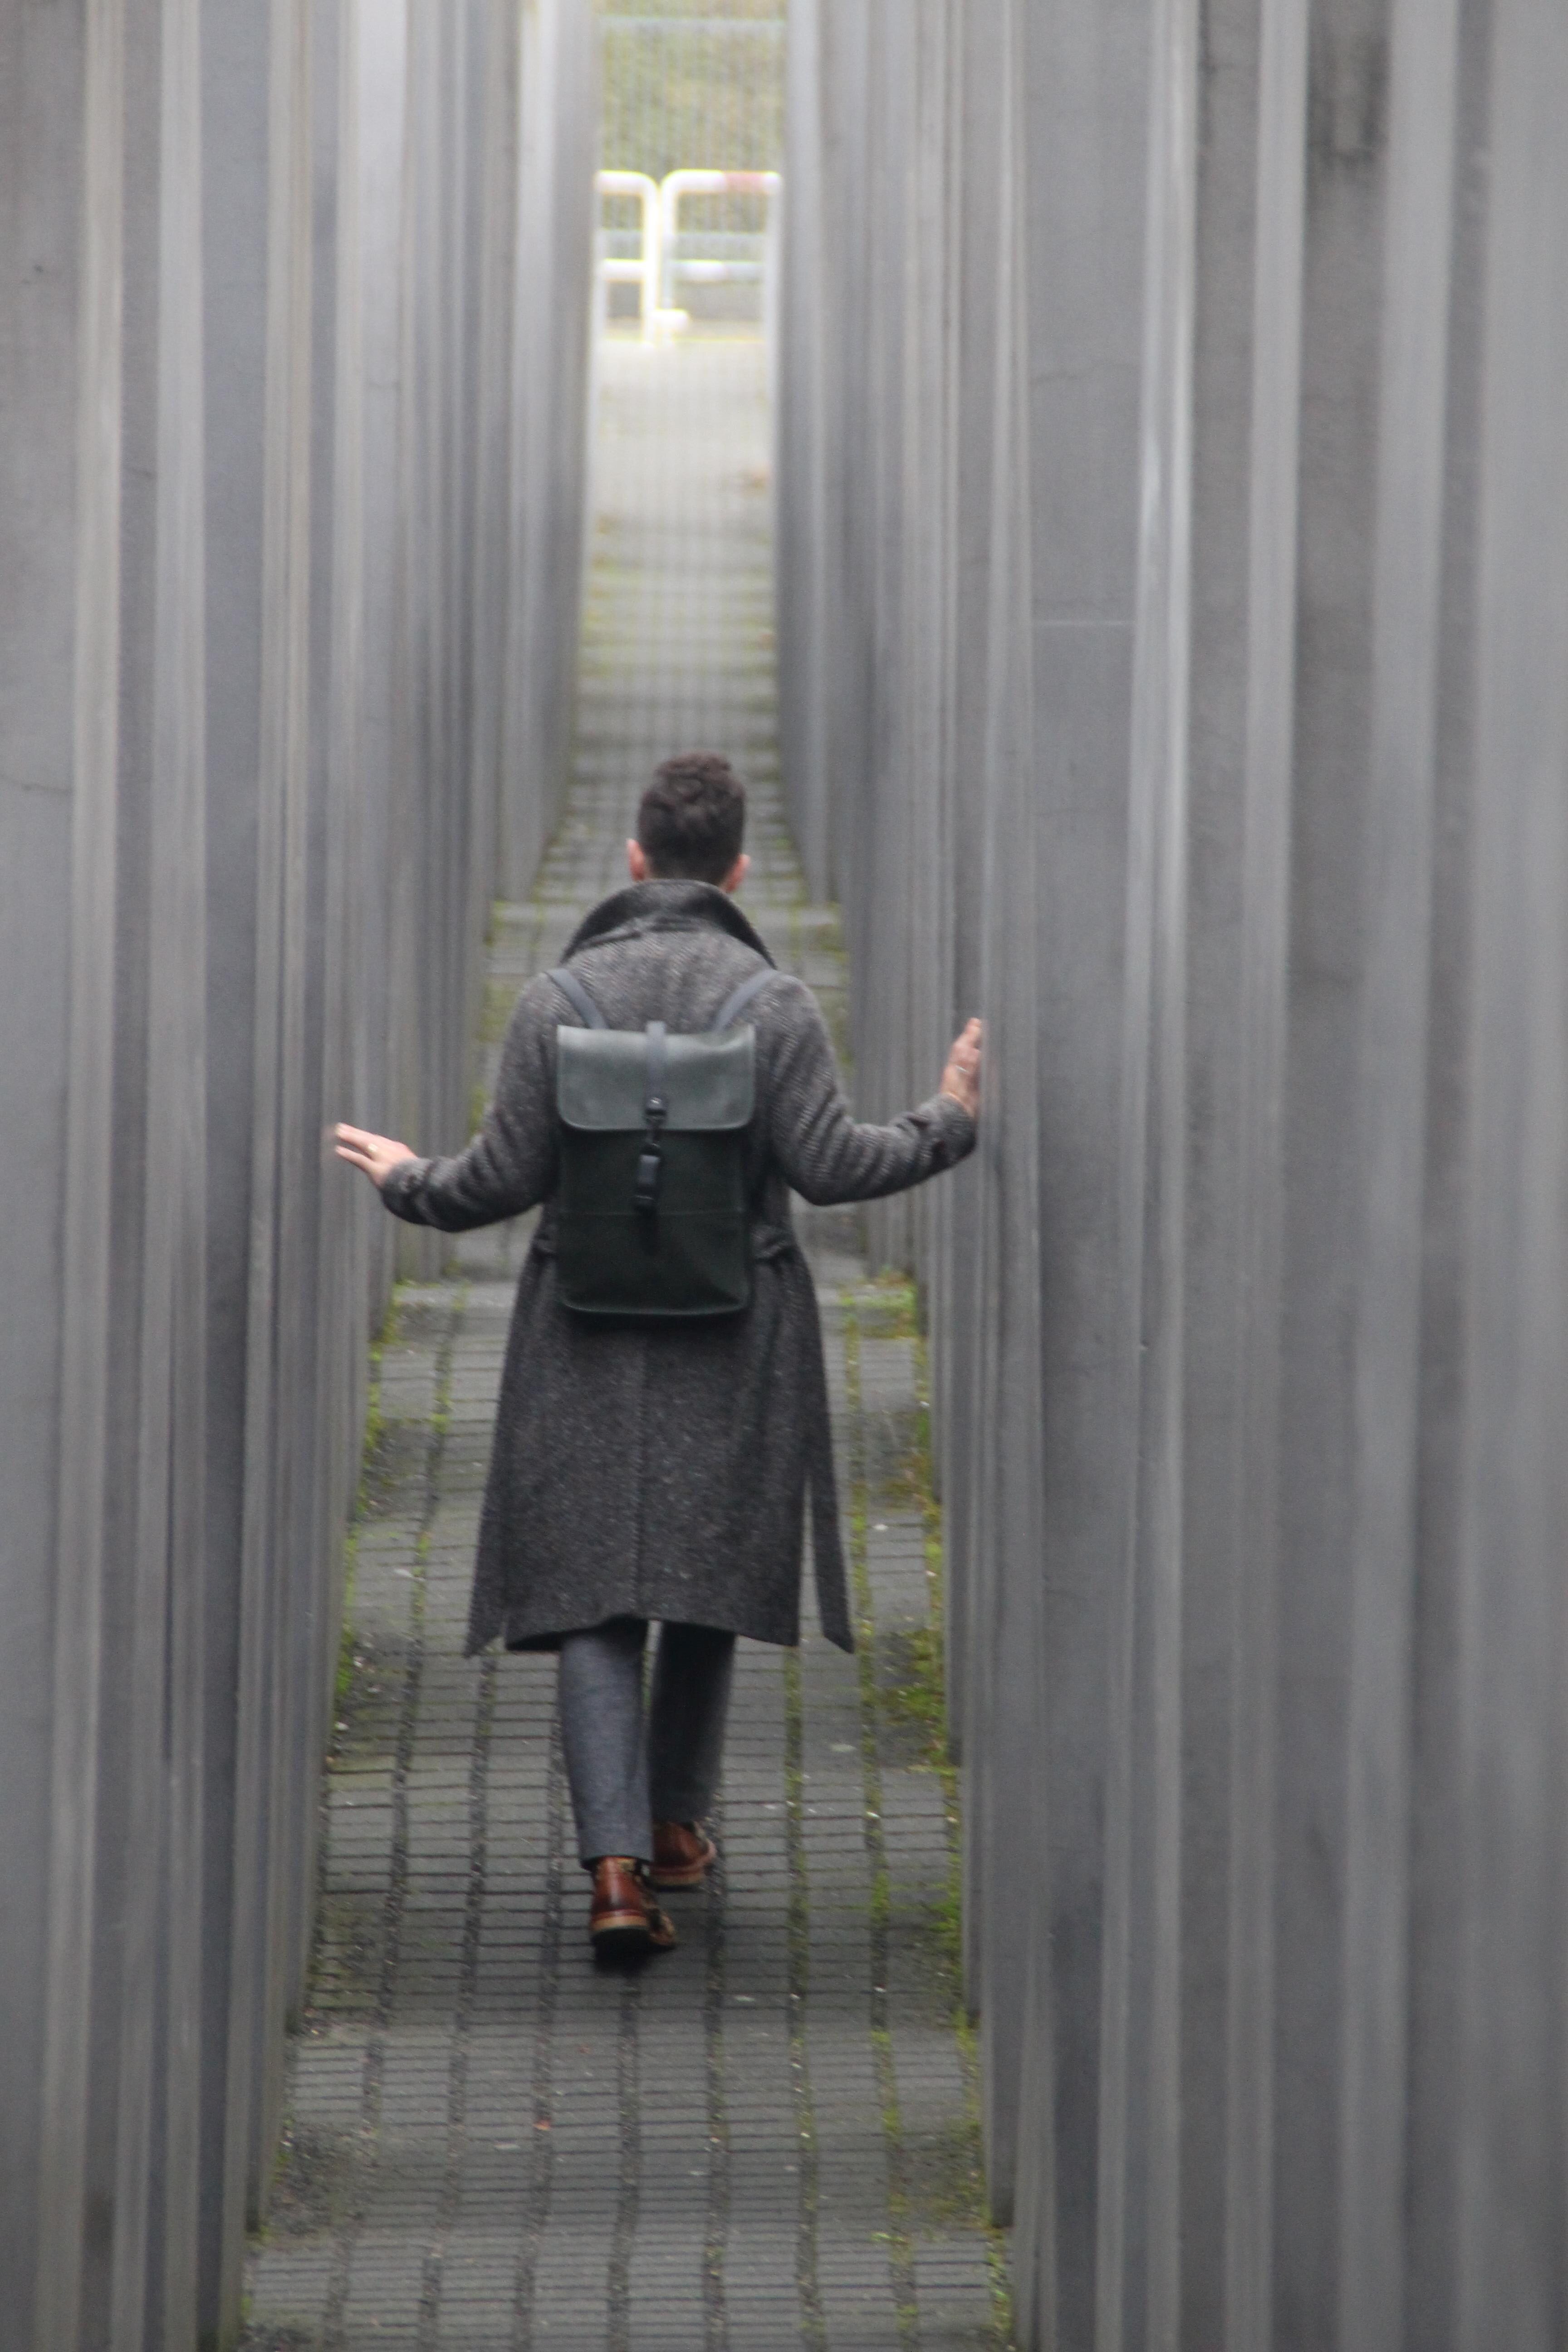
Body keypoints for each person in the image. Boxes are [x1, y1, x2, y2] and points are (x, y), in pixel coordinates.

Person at [336, 752, 982, 1954]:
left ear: (633, 861)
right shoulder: (774, 1004)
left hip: (578, 1338)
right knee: (703, 1588)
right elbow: (839, 1169)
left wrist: (405, 1181)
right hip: (733, 1341)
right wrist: (950, 1115)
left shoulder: (554, 1001)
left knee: (592, 1608)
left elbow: (497, 1184)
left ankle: (619, 1875)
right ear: (737, 869)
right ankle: (680, 1826)